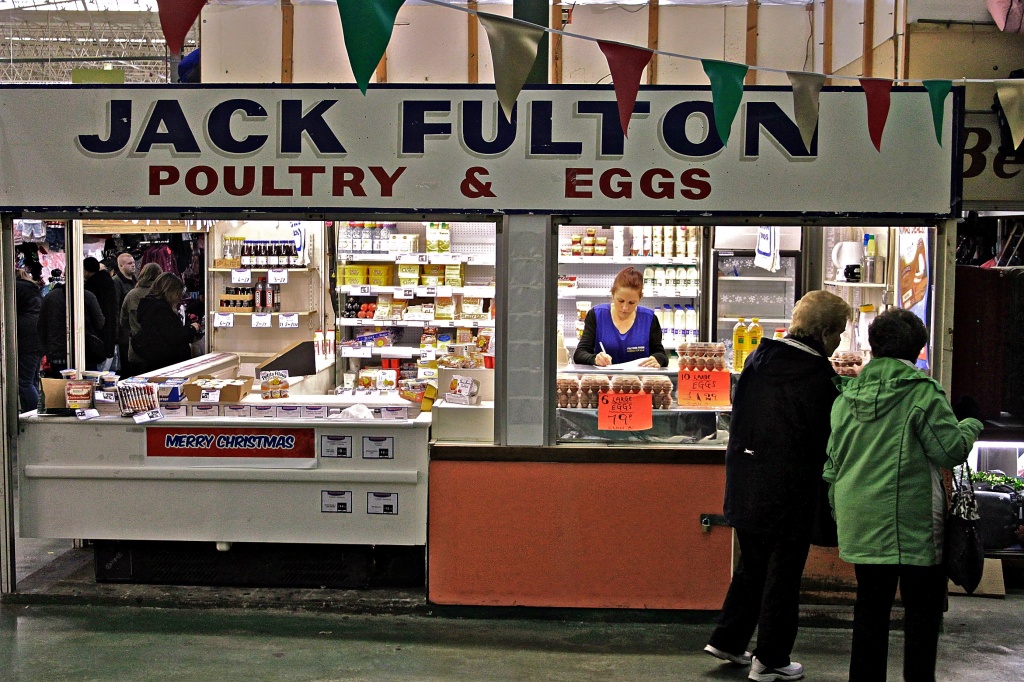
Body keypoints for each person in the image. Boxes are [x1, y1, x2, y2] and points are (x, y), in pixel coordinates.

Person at [824, 308, 984, 682]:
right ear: (918, 348)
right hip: (910, 520)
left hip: (859, 516)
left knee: (869, 612)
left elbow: (833, 462)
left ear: (872, 346)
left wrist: (837, 507)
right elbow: (950, 451)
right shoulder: (921, 394)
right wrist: (972, 420)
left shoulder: (845, 397)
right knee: (922, 615)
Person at [705, 290, 852, 682]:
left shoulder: (759, 357)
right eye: (838, 333)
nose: (839, 341)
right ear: (823, 333)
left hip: (745, 479)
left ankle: (729, 639)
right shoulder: (819, 377)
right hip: (789, 488)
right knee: (784, 574)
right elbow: (827, 436)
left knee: (752, 565)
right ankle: (770, 659)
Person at [572, 266, 666, 368]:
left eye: (632, 303)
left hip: (640, 382)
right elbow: (579, 354)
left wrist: (657, 359)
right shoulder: (596, 315)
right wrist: (594, 359)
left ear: (639, 299)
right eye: (620, 301)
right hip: (604, 382)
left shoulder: (649, 319)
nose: (625, 308)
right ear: (613, 295)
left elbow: (661, 354)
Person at [37, 272, 106, 376]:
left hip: (57, 354)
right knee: (86, 388)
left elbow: (41, 326)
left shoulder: (50, 297)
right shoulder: (88, 296)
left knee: (59, 389)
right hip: (85, 354)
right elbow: (100, 323)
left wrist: (47, 349)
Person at [131, 273, 202, 373]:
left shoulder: (149, 306)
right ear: (171, 291)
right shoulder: (160, 310)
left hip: (157, 361)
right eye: (178, 293)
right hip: (165, 364)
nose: (179, 298)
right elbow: (174, 336)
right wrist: (192, 328)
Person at [120, 262, 162, 377]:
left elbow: (123, 321)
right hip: (159, 350)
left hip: (136, 349)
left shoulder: (131, 295)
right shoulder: (162, 295)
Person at [15, 267, 44, 412]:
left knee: (24, 383)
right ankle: (36, 411)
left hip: (26, 339)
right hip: (38, 338)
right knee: (32, 380)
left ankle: (33, 414)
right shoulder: (32, 288)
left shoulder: (16, 289)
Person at [83, 256, 118, 371]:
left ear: (86, 271)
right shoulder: (109, 283)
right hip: (110, 330)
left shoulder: (90, 288)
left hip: (96, 335)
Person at [111, 252, 138, 372]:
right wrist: (117, 333)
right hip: (124, 333)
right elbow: (115, 308)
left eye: (133, 263)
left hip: (135, 330)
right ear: (121, 266)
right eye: (129, 263)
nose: (133, 265)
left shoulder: (135, 281)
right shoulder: (116, 282)